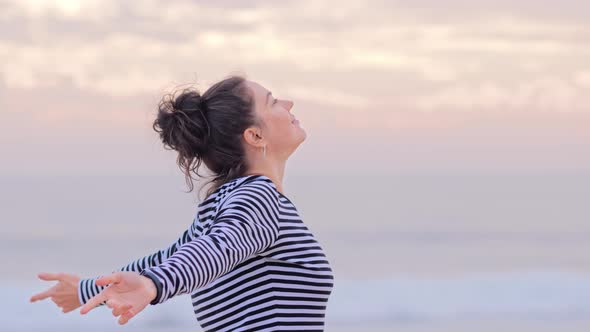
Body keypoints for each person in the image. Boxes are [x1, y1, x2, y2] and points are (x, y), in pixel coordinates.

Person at [29, 75, 335, 331]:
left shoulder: (226, 201)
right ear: (255, 135)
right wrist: (152, 284)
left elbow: (176, 256)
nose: (288, 103)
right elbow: (218, 247)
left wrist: (90, 289)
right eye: (272, 101)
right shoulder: (258, 197)